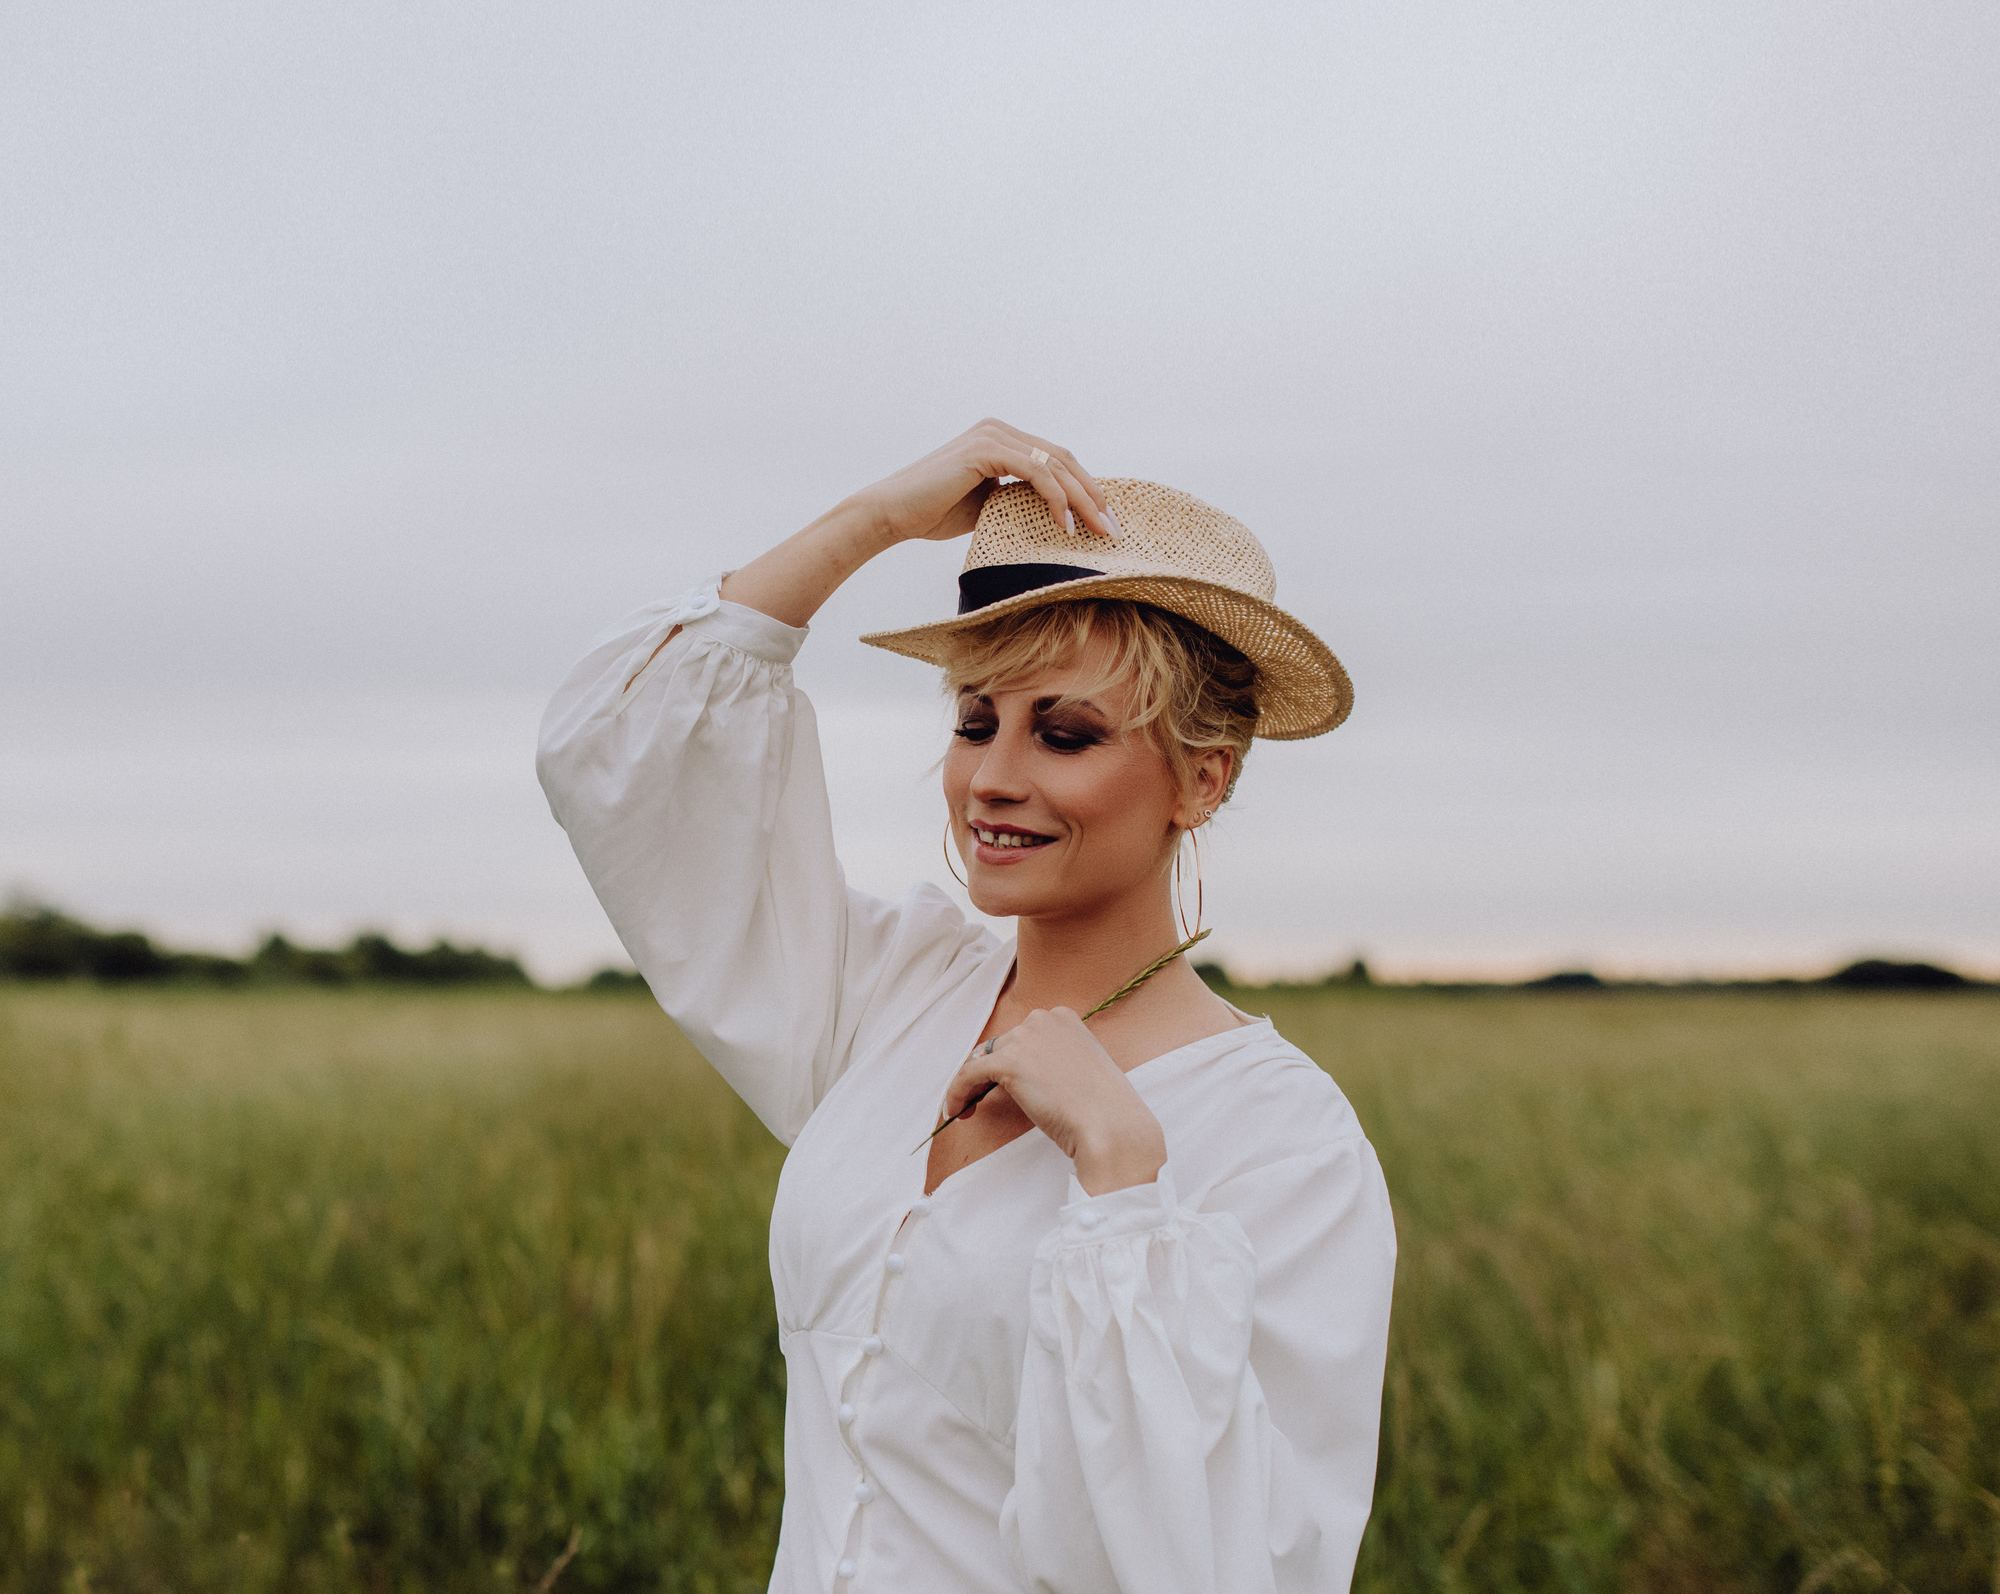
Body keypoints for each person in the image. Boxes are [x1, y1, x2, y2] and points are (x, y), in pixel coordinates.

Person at [537, 421, 1397, 1593]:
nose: (992, 776)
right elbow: (623, 755)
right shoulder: (894, 994)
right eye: (973, 717)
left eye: (1065, 732)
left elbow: (1249, 1564)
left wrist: (1121, 1174)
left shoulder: (1283, 1144)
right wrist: (878, 519)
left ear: (1205, 776)